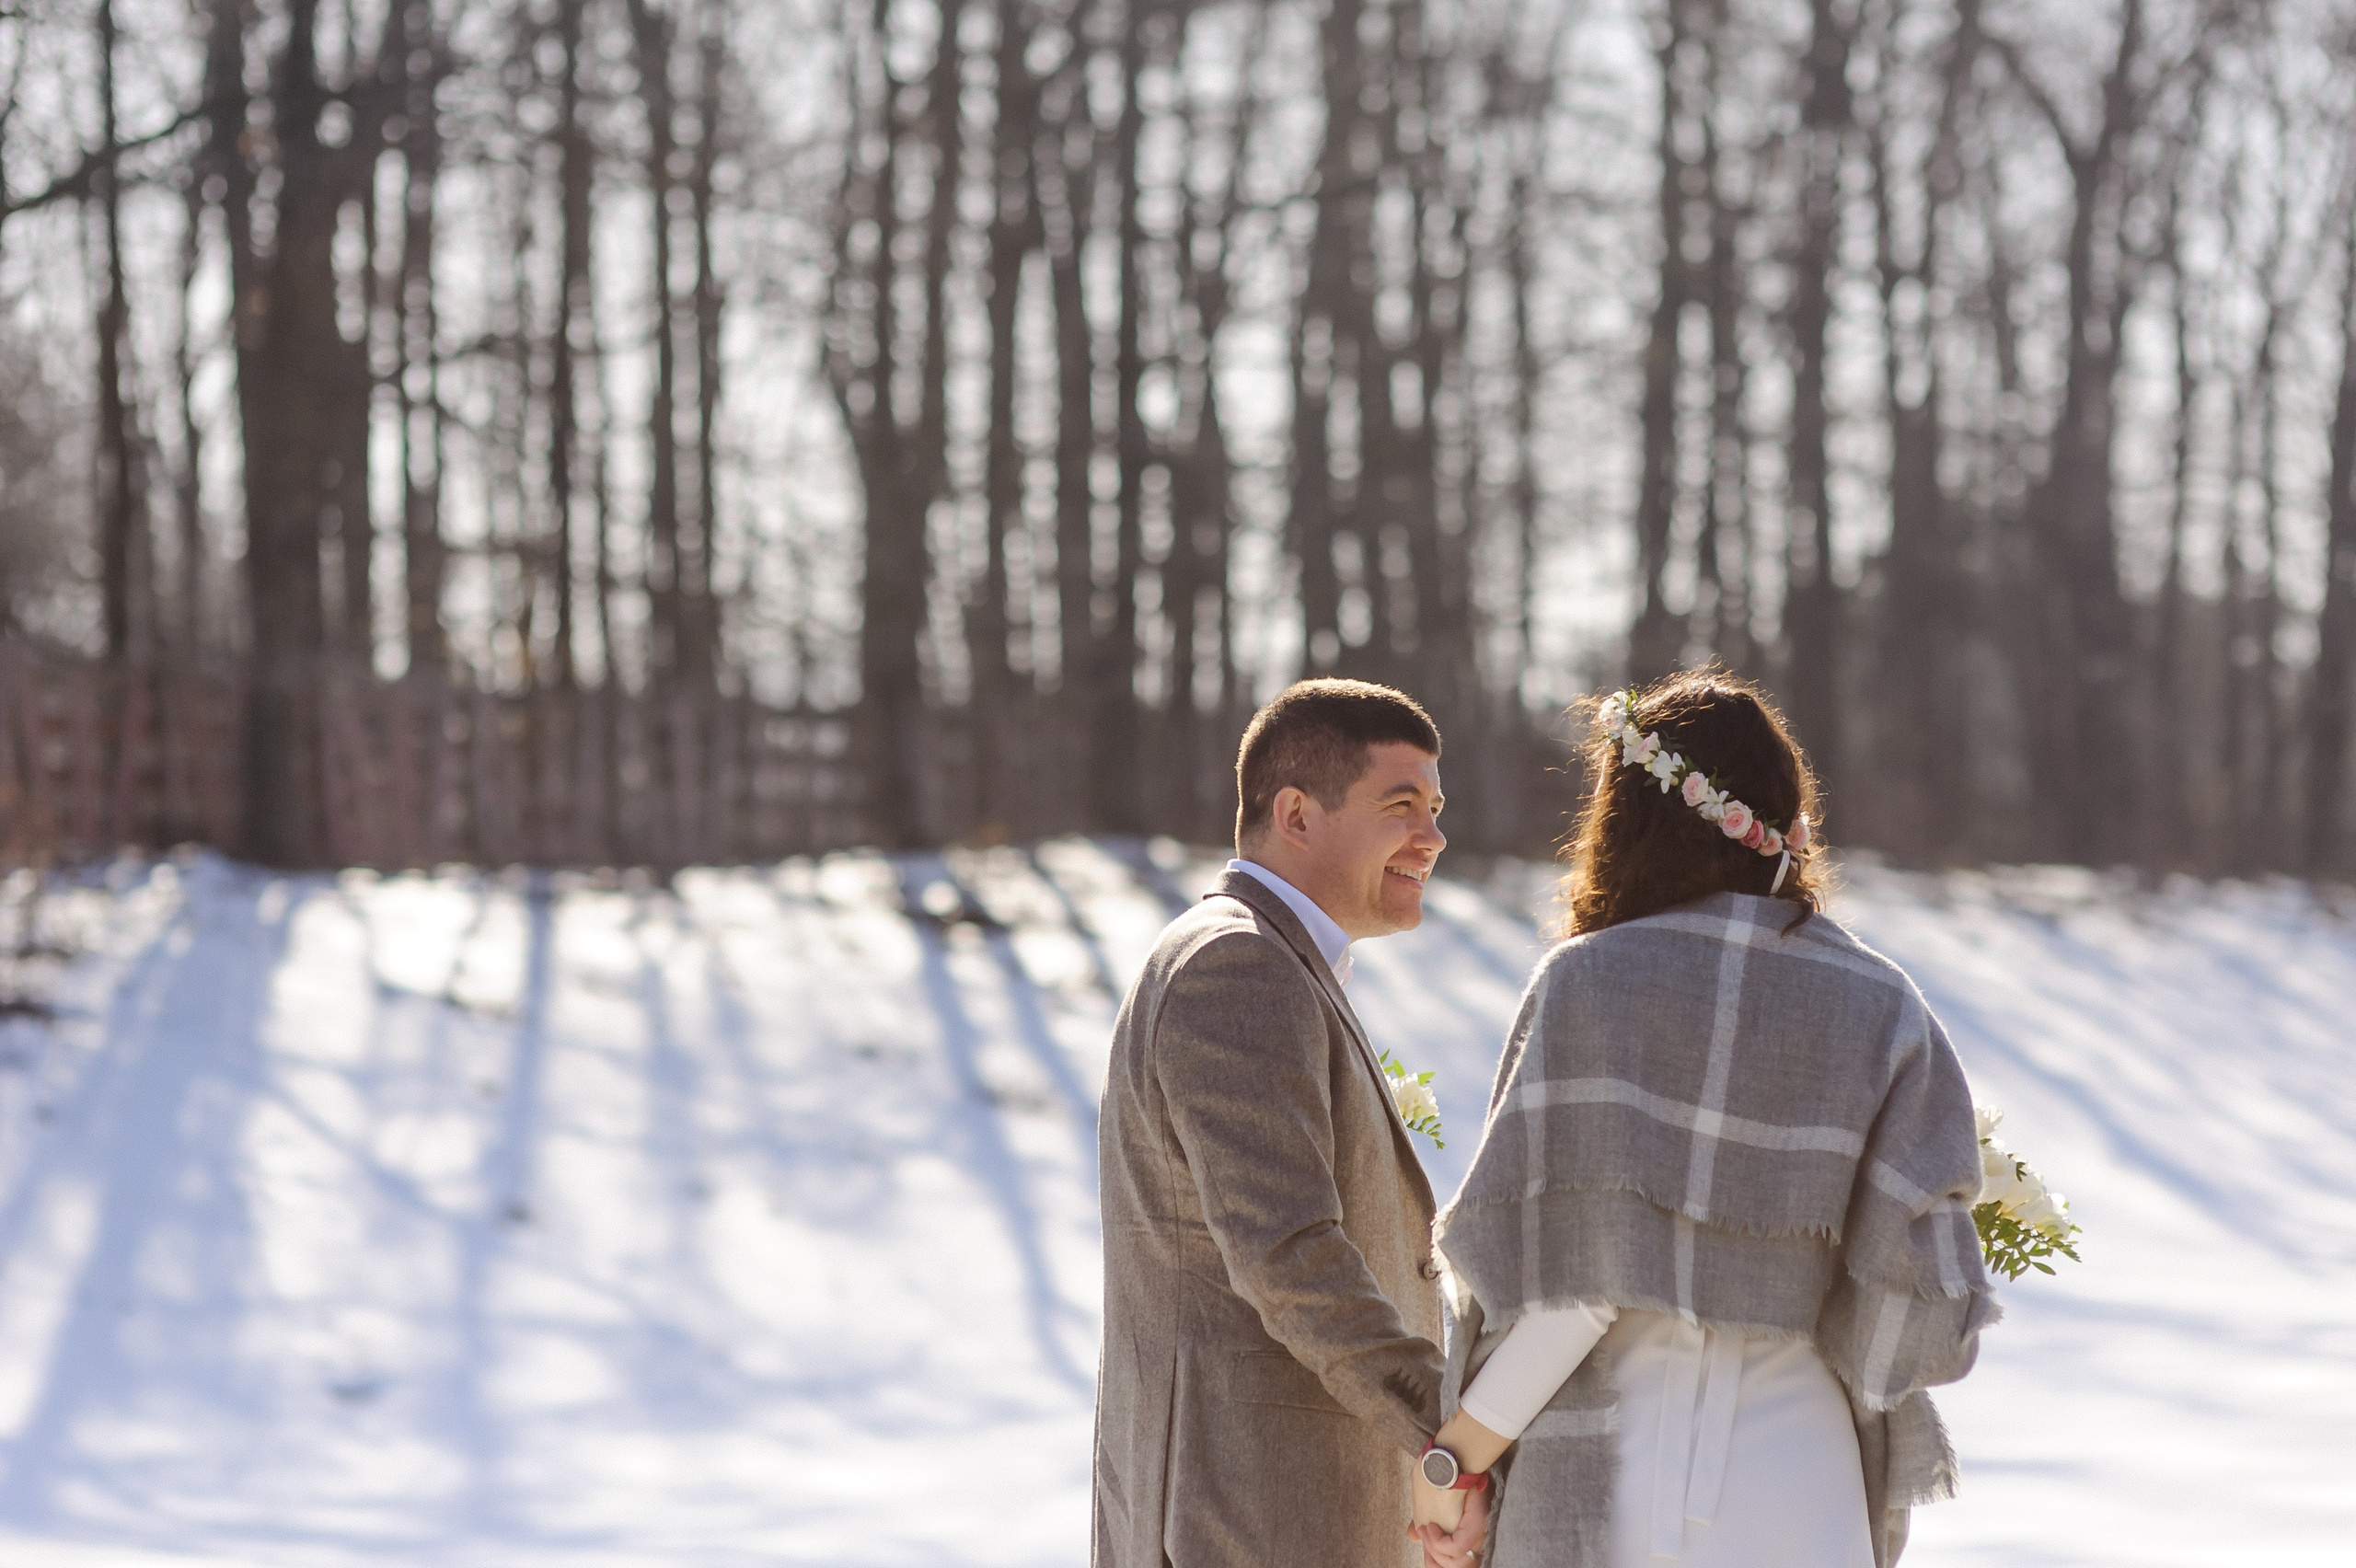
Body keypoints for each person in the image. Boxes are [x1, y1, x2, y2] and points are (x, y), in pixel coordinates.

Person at [1414, 671, 1998, 1568]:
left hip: (1614, 1469)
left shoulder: (1588, 985)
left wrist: (1457, 1464)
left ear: (1625, 819)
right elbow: (1919, 1315)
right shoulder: (1885, 1007)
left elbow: (1573, 1288)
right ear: (1787, 816)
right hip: (1803, 1479)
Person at [1091, 678, 1485, 1568]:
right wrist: (1454, 1431)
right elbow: (1289, 1257)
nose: (1433, 836)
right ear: (1297, 815)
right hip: (1243, 1519)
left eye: (1436, 807)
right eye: (1401, 805)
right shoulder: (1239, 968)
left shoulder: (1277, 965)